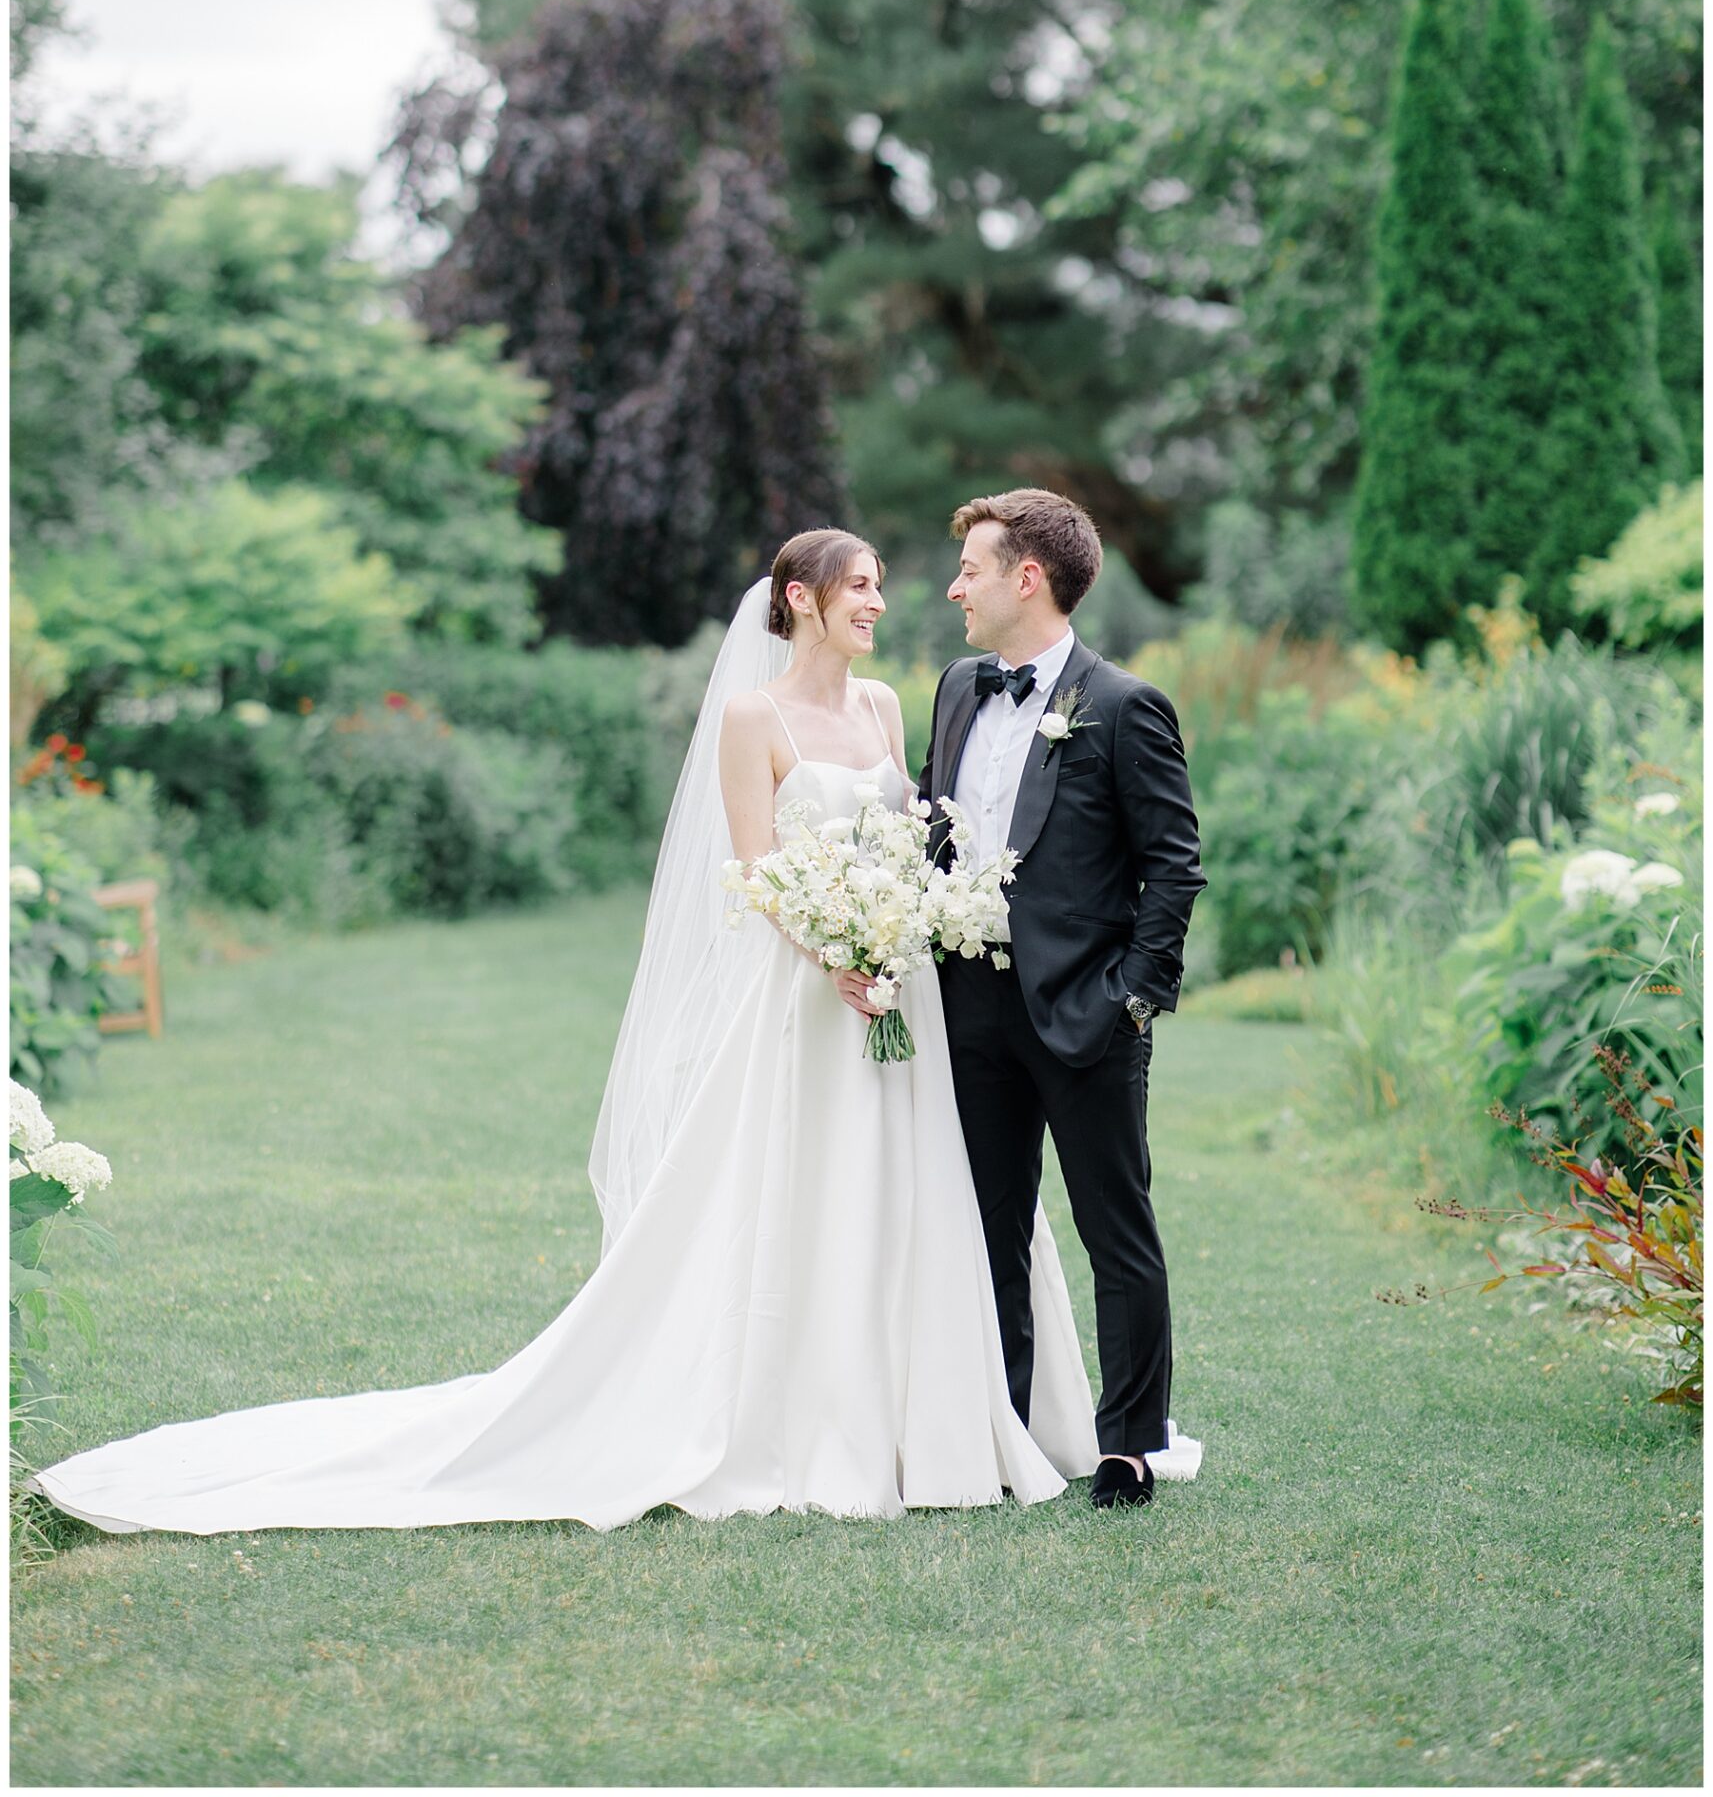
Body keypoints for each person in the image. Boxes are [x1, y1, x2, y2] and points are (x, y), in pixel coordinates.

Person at [36, 528, 1181, 1537]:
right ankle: (816, 1418)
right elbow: (754, 864)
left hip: (921, 1007)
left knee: (943, 1211)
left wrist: (915, 942)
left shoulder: (903, 703)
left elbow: (942, 840)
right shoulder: (768, 710)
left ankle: (967, 1426)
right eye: (863, 585)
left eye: (901, 581)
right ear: (800, 600)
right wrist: (835, 948)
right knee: (818, 1204)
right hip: (813, 1000)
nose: (892, 601)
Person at [923, 490, 1208, 1511]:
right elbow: (933, 830)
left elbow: (1175, 867)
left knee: (1114, 1227)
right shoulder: (959, 687)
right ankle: (1002, 1428)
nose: (955, 585)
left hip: (1088, 1015)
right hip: (969, 1007)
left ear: (1026, 576)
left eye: (971, 567)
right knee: (987, 1228)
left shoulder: (1125, 705)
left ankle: (1131, 1442)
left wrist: (1134, 1001)